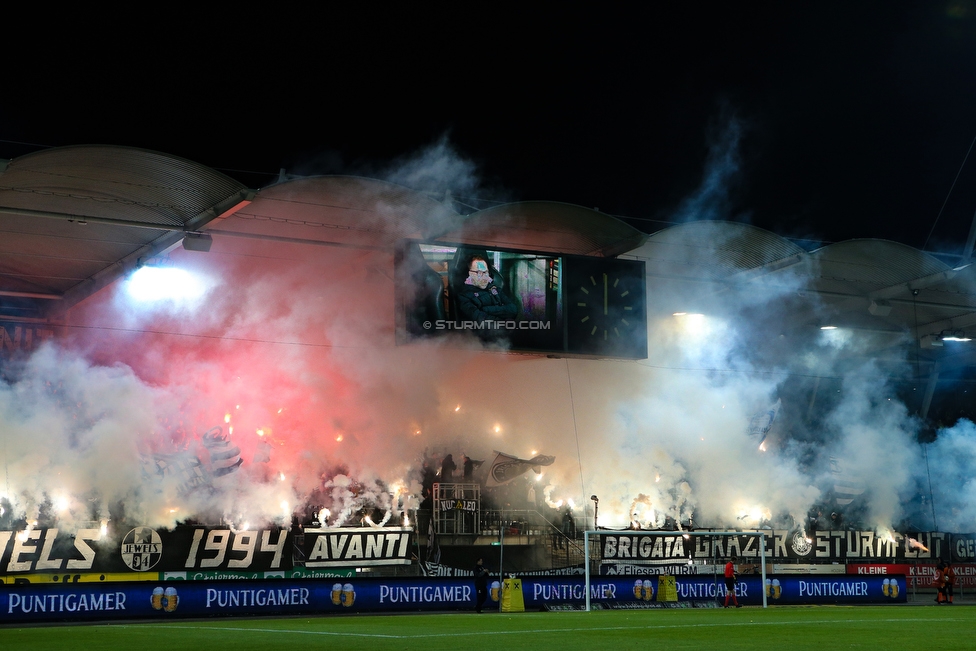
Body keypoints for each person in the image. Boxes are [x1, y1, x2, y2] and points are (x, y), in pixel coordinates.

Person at [455, 255, 519, 324]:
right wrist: (504, 321)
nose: (484, 277)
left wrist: (485, 309)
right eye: (479, 273)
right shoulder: (464, 296)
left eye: (485, 272)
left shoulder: (495, 289)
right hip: (480, 334)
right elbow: (481, 320)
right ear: (470, 273)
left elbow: (513, 309)